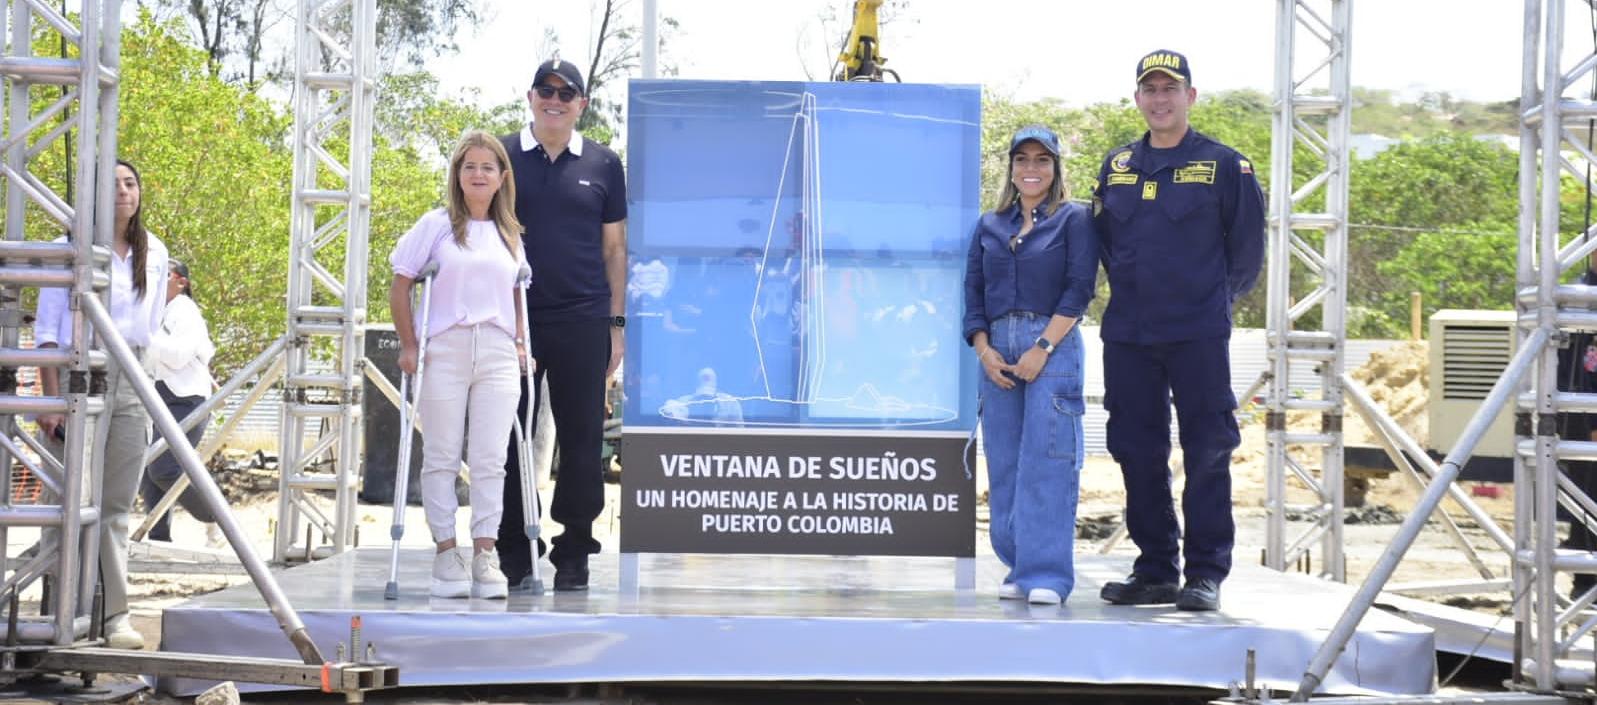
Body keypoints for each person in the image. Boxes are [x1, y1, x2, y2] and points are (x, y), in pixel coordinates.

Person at [1092, 50, 1265, 612]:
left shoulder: (1224, 166)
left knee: (1208, 450)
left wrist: (1208, 306)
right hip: (1129, 336)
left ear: (1190, 96)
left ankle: (1206, 573)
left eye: (1171, 89)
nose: (1160, 99)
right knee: (1135, 450)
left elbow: (1245, 256)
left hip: (1196, 336)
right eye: (1150, 89)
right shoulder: (1116, 165)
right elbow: (1105, 248)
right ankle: (1155, 569)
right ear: (1138, 98)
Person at [497, 58, 627, 592]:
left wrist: (616, 324)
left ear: (582, 104)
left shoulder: (604, 163)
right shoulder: (499, 156)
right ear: (530, 97)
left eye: (566, 92)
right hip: (511, 320)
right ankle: (512, 551)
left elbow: (615, 248)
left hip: (583, 319)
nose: (555, 98)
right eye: (545, 90)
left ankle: (574, 548)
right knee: (508, 439)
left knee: (581, 440)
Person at [389, 130, 529, 600]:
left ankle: (485, 552)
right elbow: (401, 283)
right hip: (445, 345)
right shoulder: (436, 225)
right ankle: (447, 552)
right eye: (469, 166)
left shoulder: (511, 233)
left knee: (491, 458)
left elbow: (517, 292)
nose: (478, 174)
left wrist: (522, 344)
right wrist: (410, 345)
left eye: (488, 167)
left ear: (501, 177)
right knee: (443, 454)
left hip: (497, 349)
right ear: (457, 174)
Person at [36, 159, 170, 648]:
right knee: (70, 497)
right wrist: (50, 400)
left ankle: (115, 616)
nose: (122, 192)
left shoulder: (153, 250)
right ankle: (57, 611)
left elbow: (148, 326)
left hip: (131, 373)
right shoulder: (67, 250)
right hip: (81, 371)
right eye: (111, 185)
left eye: (130, 183)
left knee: (116, 502)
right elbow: (48, 332)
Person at [962, 125, 1099, 606]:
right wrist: (984, 350)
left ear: (1055, 168)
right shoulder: (990, 225)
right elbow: (973, 293)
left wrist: (1042, 346)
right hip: (997, 349)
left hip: (1052, 345)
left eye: (1042, 160)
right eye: (1023, 160)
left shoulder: (1074, 219)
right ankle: (1019, 566)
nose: (1032, 169)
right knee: (1004, 462)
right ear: (1011, 169)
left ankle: (1049, 575)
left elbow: (1079, 288)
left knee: (1049, 459)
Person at [138, 258, 225, 547]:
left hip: (185, 399)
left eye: (164, 275)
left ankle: (219, 520)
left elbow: (177, 356)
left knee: (164, 469)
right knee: (148, 472)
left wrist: (141, 335)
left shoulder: (185, 311)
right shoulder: (157, 311)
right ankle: (158, 538)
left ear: (181, 282)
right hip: (160, 396)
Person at [1558, 251, 1597, 599]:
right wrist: (1589, 421)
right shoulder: (1580, 300)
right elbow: (1575, 369)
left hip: (1583, 417)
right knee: (1588, 495)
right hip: (1585, 421)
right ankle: (1587, 582)